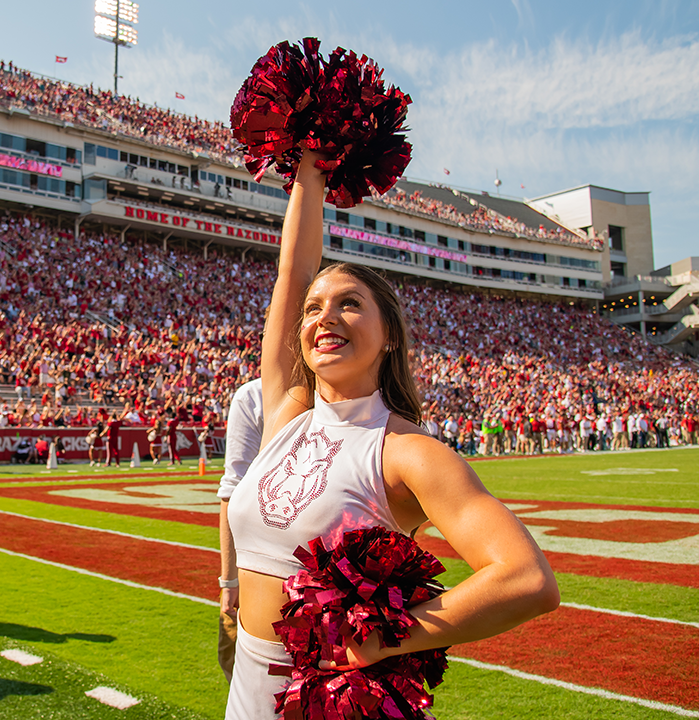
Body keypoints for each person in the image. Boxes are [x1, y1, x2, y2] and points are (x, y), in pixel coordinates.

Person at [223, 151, 559, 719]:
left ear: (389, 338)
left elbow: (528, 580)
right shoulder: (287, 411)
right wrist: (310, 163)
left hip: (330, 700)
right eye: (313, 311)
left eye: (349, 305)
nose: (324, 317)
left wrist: (382, 641)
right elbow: (293, 272)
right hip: (247, 690)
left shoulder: (407, 453)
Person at [217, 377, 264, 682]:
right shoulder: (253, 396)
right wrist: (229, 581)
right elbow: (232, 491)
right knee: (245, 677)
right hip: (262, 571)